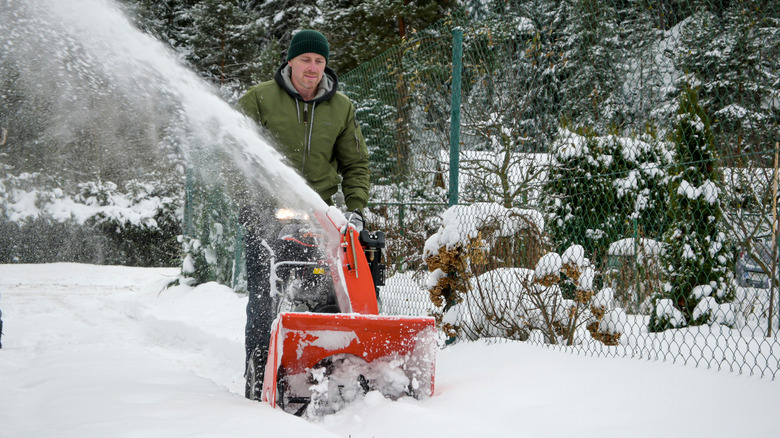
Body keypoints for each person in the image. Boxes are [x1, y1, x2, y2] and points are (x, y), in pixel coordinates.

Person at [236, 29, 370, 400]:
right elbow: (233, 157)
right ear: (291, 61)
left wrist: (355, 210)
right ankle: (258, 371)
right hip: (266, 211)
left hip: (318, 214)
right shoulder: (259, 99)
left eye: (319, 61)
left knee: (331, 288)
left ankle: (331, 364)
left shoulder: (341, 107)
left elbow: (356, 163)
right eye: (305, 59)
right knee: (265, 294)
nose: (312, 68)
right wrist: (250, 204)